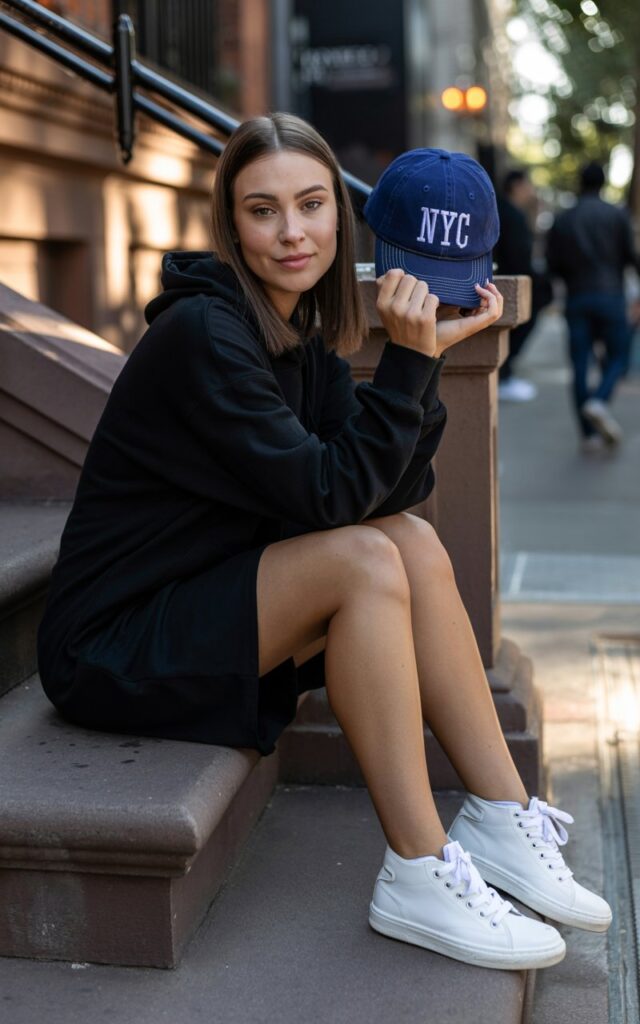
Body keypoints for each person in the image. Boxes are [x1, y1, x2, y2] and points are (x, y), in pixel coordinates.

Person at [37, 116, 611, 972]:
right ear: (232, 227)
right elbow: (328, 499)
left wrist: (428, 360)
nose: (293, 230)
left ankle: (499, 813)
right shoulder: (203, 336)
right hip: (115, 642)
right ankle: (418, 867)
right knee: (365, 557)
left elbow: (392, 491)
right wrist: (410, 367)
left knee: (406, 543)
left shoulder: (297, 334)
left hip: (208, 598)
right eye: (264, 211)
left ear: (343, 222)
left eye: (311, 205)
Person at [546, 160, 640, 451]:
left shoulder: (563, 219)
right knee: (619, 358)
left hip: (576, 297)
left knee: (580, 365)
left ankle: (588, 435)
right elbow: (630, 256)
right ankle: (599, 400)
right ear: (602, 183)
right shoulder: (616, 215)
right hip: (611, 296)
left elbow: (552, 264)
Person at [494, 169, 552, 402]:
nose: (531, 190)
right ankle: (504, 372)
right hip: (509, 284)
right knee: (520, 323)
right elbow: (519, 257)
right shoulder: (511, 215)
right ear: (516, 185)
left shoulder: (505, 211)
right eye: (528, 185)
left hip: (502, 281)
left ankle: (504, 372)